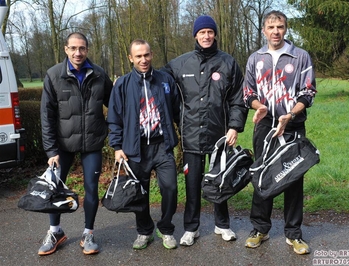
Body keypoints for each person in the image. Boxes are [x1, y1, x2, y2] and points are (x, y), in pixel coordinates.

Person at [162, 15, 248, 246]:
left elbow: (239, 99)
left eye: (210, 32)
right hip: (190, 136)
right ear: (195, 35)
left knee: (220, 181)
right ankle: (191, 228)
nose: (206, 36)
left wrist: (234, 127)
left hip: (220, 136)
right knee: (192, 186)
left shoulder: (228, 63)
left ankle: (223, 225)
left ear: (215, 34)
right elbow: (159, 85)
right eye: (202, 32)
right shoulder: (179, 64)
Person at [242, 11, 317, 254]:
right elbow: (248, 93)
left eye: (280, 27)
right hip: (264, 124)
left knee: (293, 176)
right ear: (263, 30)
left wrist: (291, 115)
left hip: (292, 124)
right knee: (262, 175)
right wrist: (259, 106)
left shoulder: (300, 56)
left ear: (286, 29)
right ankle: (260, 229)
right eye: (271, 27)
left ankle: (293, 233)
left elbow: (308, 93)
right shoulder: (255, 58)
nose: (276, 31)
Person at [40, 32, 113, 255]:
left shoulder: (99, 75)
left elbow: (115, 106)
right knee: (55, 189)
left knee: (91, 189)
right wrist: (51, 150)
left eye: (81, 48)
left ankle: (88, 234)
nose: (77, 53)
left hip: (91, 144)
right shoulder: (53, 75)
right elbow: (46, 116)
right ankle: (55, 232)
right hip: (62, 146)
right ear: (66, 49)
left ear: (87, 50)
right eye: (73, 48)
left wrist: (109, 130)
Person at [107, 39, 180, 250]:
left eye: (146, 55)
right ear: (131, 58)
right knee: (139, 194)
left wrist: (183, 136)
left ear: (152, 54)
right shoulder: (122, 84)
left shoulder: (165, 80)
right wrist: (117, 147)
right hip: (135, 149)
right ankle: (144, 230)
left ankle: (165, 228)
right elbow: (114, 118)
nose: (143, 59)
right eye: (138, 56)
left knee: (170, 188)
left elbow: (177, 111)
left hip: (162, 146)